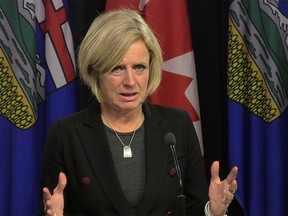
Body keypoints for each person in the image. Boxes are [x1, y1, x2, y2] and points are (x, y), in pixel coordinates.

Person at [39, 8, 238, 216]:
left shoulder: (177, 126)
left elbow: (194, 209)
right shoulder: (66, 135)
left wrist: (213, 211)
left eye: (139, 67)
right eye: (117, 68)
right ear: (95, 71)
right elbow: (49, 207)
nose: (131, 81)